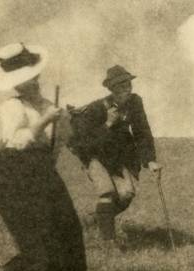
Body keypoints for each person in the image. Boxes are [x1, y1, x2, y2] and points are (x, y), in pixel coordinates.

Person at [0, 42, 87, 271]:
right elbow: (18, 142)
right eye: (25, 81)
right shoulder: (12, 107)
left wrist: (59, 123)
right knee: (37, 232)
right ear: (16, 85)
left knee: (67, 225)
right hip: (12, 173)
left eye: (34, 77)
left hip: (42, 170)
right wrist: (46, 121)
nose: (33, 82)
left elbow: (57, 145)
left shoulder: (49, 106)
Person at [68, 65, 162, 241]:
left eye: (128, 84)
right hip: (93, 155)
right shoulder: (97, 108)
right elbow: (83, 143)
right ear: (112, 89)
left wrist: (150, 160)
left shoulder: (135, 103)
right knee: (107, 192)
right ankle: (108, 243)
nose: (127, 89)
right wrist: (108, 124)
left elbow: (142, 131)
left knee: (126, 194)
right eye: (121, 86)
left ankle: (95, 219)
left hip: (117, 158)